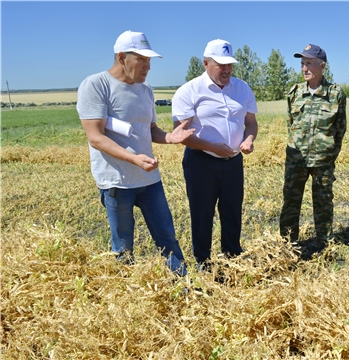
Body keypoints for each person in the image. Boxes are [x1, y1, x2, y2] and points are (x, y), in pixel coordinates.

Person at [77, 30, 195, 276]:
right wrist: (133, 159)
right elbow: (96, 137)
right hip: (116, 182)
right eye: (141, 59)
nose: (148, 66)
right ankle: (126, 294)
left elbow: (150, 130)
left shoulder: (145, 90)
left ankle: (184, 287)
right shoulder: (96, 85)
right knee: (123, 247)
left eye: (149, 60)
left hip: (149, 180)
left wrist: (170, 138)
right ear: (121, 57)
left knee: (167, 237)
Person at [171, 39, 258, 267]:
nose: (226, 69)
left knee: (232, 212)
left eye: (229, 64)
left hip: (233, 163)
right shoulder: (189, 92)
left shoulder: (242, 88)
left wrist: (248, 139)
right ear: (206, 63)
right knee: (202, 214)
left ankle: (232, 258)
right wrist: (212, 147)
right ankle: (203, 262)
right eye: (220, 64)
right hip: (201, 163)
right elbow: (180, 134)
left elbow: (251, 123)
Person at [279, 44, 347, 250]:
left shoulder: (335, 94)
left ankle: (324, 244)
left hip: (323, 160)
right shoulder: (295, 93)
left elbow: (340, 129)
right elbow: (291, 124)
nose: (304, 68)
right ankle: (288, 244)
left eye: (309, 63)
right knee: (291, 200)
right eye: (302, 64)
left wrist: (329, 153)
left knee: (324, 202)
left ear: (322, 65)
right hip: (296, 160)